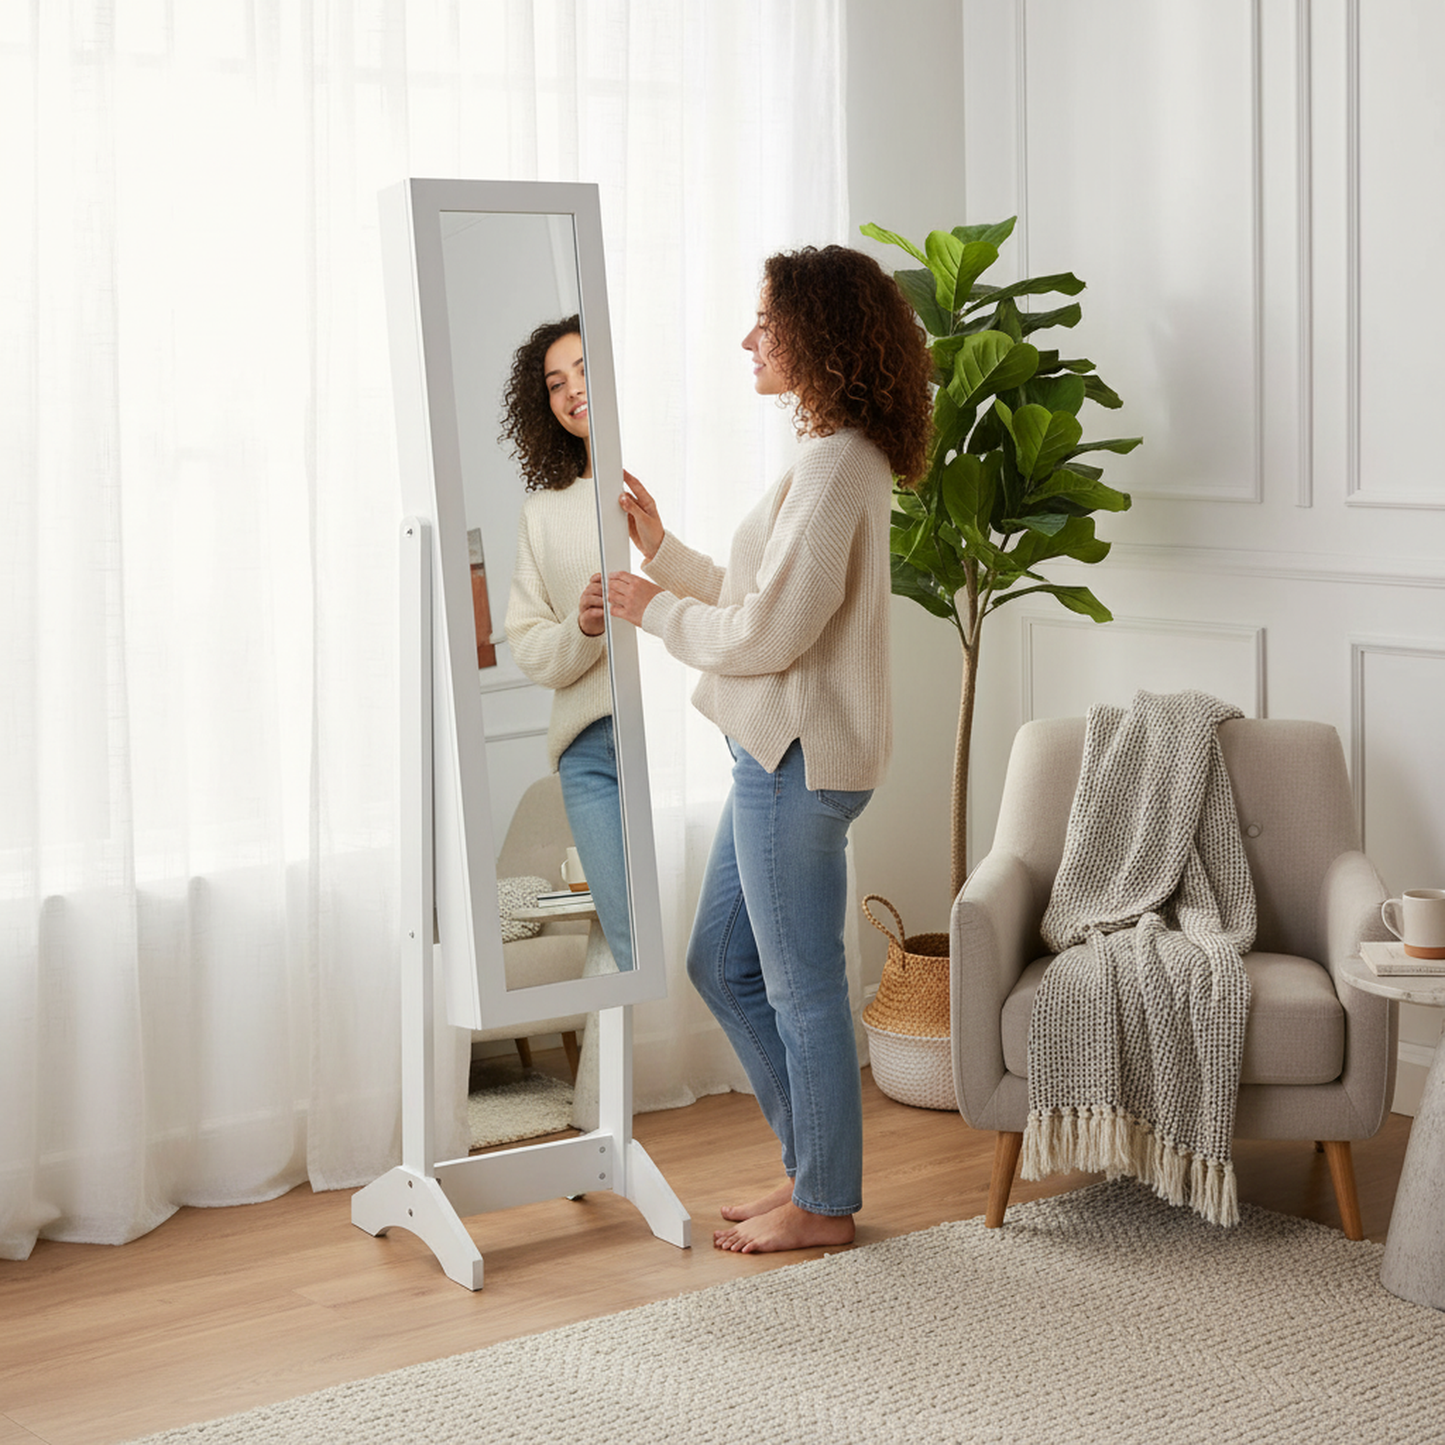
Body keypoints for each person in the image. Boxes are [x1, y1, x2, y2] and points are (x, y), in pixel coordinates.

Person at [607, 245, 933, 1252]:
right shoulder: (828, 455)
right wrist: (662, 554)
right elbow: (762, 604)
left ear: (816, 336)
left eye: (765, 321)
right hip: (777, 756)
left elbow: (770, 633)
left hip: (795, 765)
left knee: (797, 985)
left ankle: (824, 1203)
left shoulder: (837, 465)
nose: (748, 338)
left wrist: (652, 611)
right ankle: (812, 1171)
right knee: (722, 961)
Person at [501, 315, 632, 972]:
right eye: (555, 382)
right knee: (631, 937)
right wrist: (580, 631)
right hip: (588, 754)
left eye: (582, 368)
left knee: (699, 928)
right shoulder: (541, 513)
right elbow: (526, 644)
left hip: (668, 734)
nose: (571, 390)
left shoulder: (661, 475)